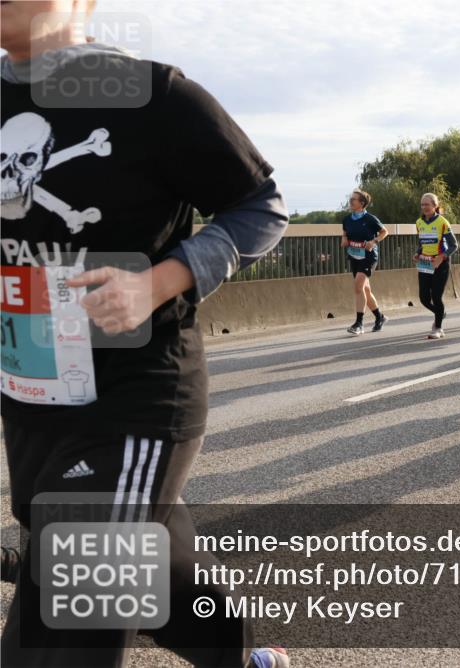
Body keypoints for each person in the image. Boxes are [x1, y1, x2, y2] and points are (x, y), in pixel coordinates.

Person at [0, 2, 291, 667]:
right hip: (32, 393)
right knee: (157, 570)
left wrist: (159, 281)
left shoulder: (150, 94)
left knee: (67, 598)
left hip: (135, 400)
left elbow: (260, 206)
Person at [342, 189, 388, 336]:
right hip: (354, 256)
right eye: (351, 199)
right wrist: (344, 238)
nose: (351, 201)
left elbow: (384, 232)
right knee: (365, 290)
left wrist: (373, 241)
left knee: (358, 286)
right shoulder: (347, 219)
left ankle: (359, 323)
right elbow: (345, 231)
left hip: (368, 257)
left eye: (353, 199)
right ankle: (379, 317)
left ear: (362, 203)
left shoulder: (370, 219)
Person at [414, 193, 459, 339]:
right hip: (425, 263)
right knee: (424, 298)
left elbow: (454, 245)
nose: (424, 207)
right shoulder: (419, 223)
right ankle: (440, 313)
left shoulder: (443, 222)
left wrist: (442, 257)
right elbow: (422, 242)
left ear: (435, 206)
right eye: (422, 205)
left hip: (441, 263)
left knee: (436, 296)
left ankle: (438, 327)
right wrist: (418, 253)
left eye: (427, 204)